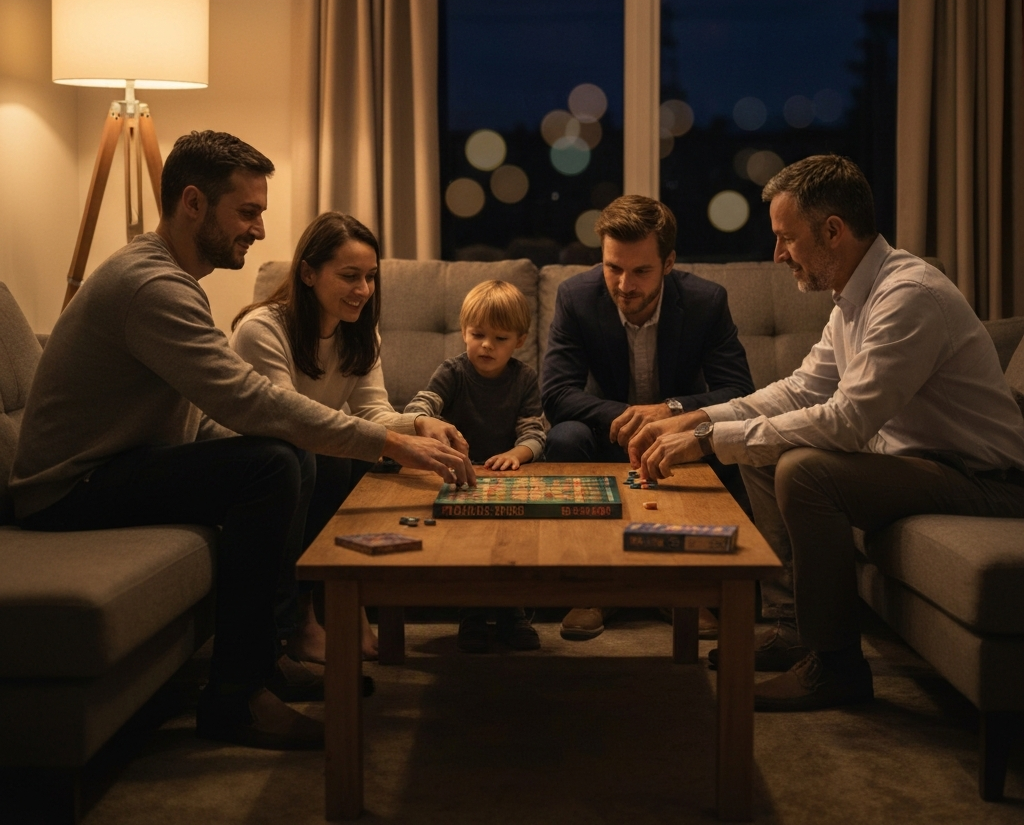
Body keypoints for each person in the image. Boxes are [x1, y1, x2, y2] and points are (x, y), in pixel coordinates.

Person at [10, 130, 474, 751]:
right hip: (69, 488)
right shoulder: (151, 286)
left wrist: (396, 429)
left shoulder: (172, 280)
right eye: (248, 212)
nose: (259, 230)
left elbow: (207, 413)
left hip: (122, 466)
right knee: (273, 464)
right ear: (194, 203)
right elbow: (249, 400)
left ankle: (264, 662)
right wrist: (389, 444)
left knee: (283, 459)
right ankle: (234, 700)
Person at [629, 154, 1024, 711]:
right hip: (929, 465)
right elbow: (799, 389)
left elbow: (846, 419)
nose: (777, 254)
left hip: (988, 481)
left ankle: (836, 665)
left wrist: (705, 441)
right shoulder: (851, 300)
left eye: (786, 238)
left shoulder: (908, 296)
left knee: (804, 468)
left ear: (833, 231)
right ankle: (795, 629)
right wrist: (702, 419)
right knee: (760, 440)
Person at [230, 211, 465, 664]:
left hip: (307, 452)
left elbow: (372, 412)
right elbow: (290, 420)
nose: (363, 290)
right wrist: (393, 442)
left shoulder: (359, 332)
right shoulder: (262, 329)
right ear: (308, 272)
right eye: (350, 276)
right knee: (331, 456)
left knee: (362, 454)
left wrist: (419, 425)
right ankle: (300, 620)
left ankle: (344, 604)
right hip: (260, 461)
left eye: (371, 277)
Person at [541, 194, 755, 641]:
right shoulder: (576, 297)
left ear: (669, 262)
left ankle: (687, 588)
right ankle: (596, 589)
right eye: (613, 267)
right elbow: (557, 393)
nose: (624, 285)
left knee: (720, 434)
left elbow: (739, 391)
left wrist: (672, 412)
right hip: (608, 435)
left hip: (681, 443)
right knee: (564, 437)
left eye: (641, 271)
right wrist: (630, 417)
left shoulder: (706, 301)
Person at [405, 279, 547, 652]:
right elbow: (418, 408)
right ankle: (471, 611)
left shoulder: (525, 378)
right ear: (464, 333)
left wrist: (517, 454)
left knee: (512, 541)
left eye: (500, 338)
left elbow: (535, 432)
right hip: (459, 477)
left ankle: (512, 612)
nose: (487, 345)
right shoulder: (451, 372)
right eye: (477, 334)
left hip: (508, 477)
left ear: (519, 340)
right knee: (466, 544)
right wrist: (424, 422)